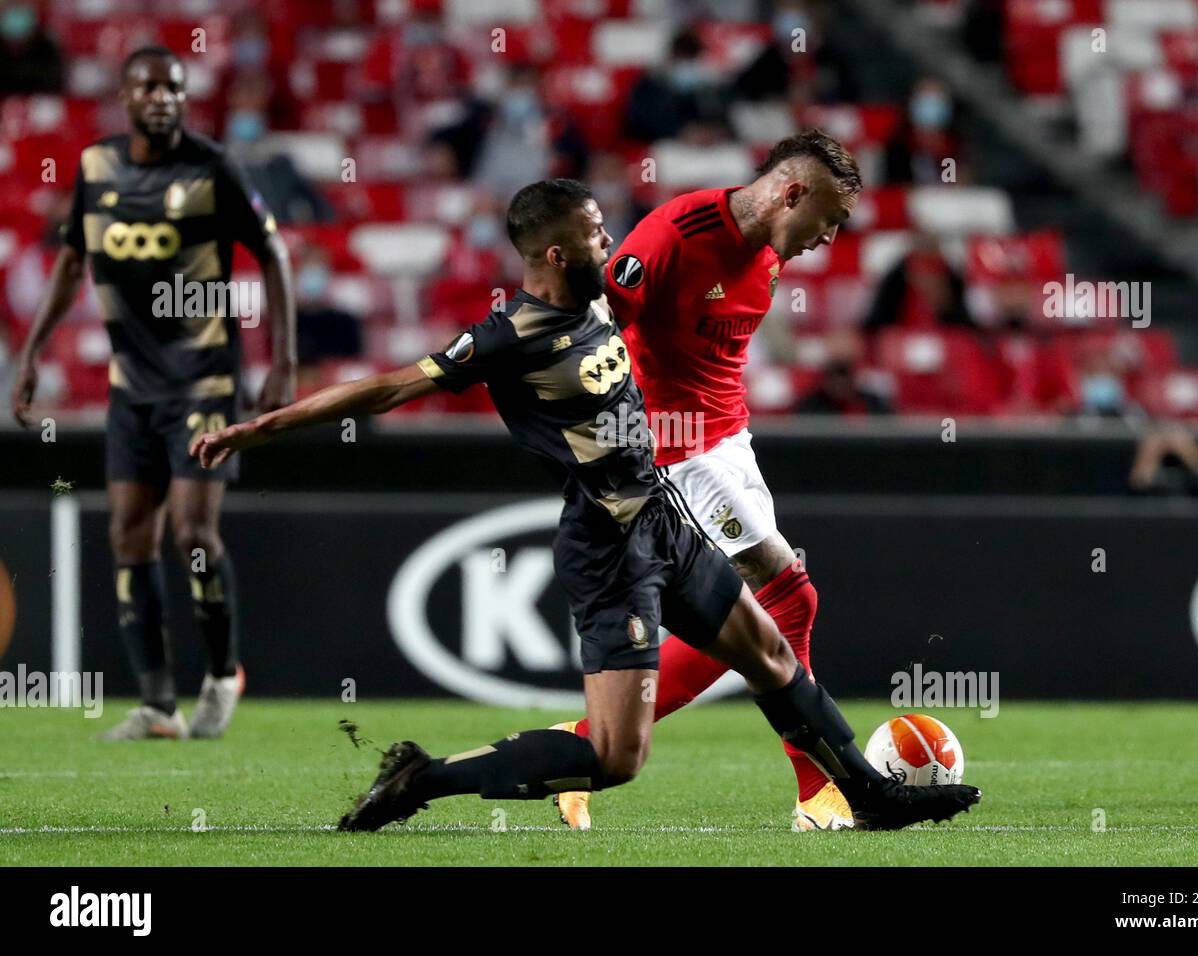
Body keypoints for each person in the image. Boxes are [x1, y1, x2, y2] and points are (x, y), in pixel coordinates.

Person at [190, 179, 981, 832]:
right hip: (609, 547)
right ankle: (423, 778)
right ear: (559, 253)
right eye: (600, 234)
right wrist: (264, 427)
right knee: (615, 759)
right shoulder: (511, 336)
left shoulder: (599, 300)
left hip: (664, 515)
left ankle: (872, 797)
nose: (614, 245)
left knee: (772, 649)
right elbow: (391, 385)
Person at [554, 130, 872, 832]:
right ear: (793, 192)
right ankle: (820, 791)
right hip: (675, 448)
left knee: (757, 619)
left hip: (730, 441)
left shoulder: (768, 259)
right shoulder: (677, 230)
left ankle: (579, 746)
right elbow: (597, 330)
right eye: (831, 218)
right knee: (791, 595)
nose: (830, 237)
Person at [9, 47, 297, 740]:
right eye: (149, 86)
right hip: (130, 386)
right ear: (125, 94)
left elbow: (274, 253)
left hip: (203, 378)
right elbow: (73, 259)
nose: (163, 97)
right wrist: (31, 351)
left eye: (174, 86)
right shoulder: (96, 166)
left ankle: (223, 673)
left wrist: (283, 360)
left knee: (192, 533)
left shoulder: (212, 165)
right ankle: (159, 704)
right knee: (128, 536)